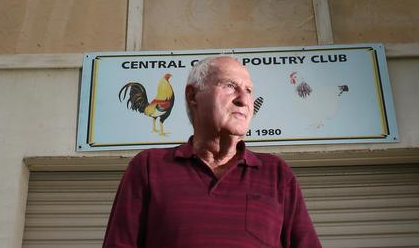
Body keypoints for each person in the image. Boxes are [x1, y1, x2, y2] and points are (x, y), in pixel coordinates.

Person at [102, 55, 323, 247]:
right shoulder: (149, 167)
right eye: (229, 86)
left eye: (248, 90)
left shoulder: (276, 173)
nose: (244, 99)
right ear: (192, 96)